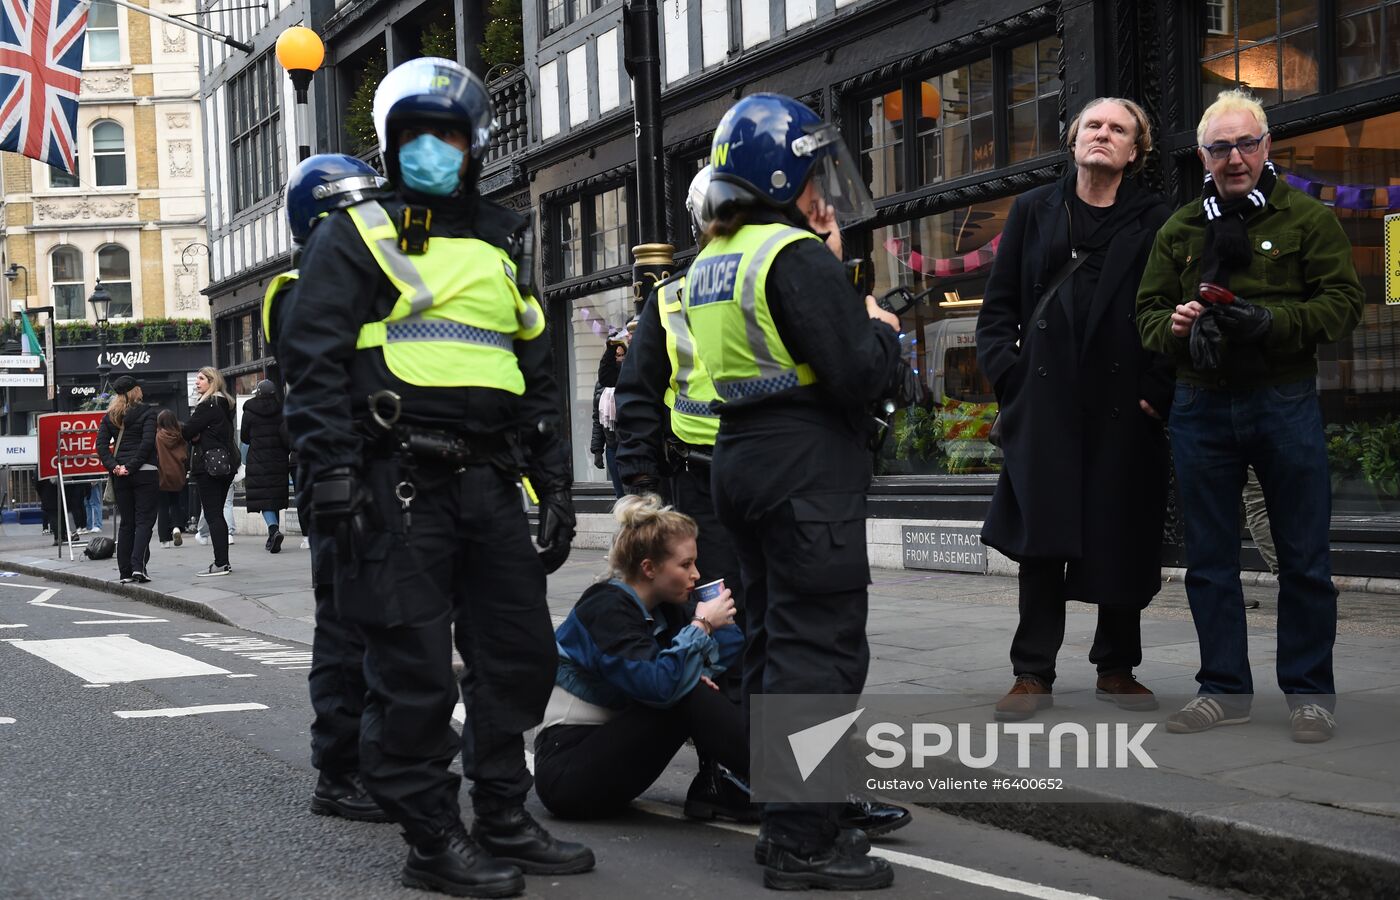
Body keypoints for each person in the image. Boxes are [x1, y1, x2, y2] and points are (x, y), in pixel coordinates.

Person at [278, 57, 593, 897]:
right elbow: (310, 363)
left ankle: (502, 812)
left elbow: (536, 369)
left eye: (447, 134)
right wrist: (332, 476)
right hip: (397, 479)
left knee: (520, 657)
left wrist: (554, 482)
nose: (431, 149)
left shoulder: (499, 238)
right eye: (414, 134)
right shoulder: (358, 233)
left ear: (475, 144)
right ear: (389, 145)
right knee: (412, 674)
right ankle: (430, 838)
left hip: (489, 483)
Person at [684, 93, 904, 891]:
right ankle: (802, 841)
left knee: (776, 646)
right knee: (819, 650)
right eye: (814, 171)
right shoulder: (791, 254)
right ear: (781, 174)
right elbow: (858, 373)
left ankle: (800, 811)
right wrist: (881, 330)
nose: (823, 188)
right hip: (806, 464)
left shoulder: (713, 258)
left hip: (742, 455)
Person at [1137, 89, 1364, 743]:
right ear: (1203, 156)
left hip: (1283, 400)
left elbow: (1344, 304)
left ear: (1266, 148)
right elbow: (1146, 315)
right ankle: (1224, 690)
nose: (1234, 157)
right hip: (1199, 406)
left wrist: (1271, 323)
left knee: (1303, 559)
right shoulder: (1180, 230)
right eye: (1219, 147)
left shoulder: (1307, 219)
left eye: (1245, 144)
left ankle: (1311, 695)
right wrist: (1176, 326)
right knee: (1209, 559)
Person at [975, 97, 1174, 721]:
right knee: (1042, 542)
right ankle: (1031, 673)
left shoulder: (1157, 219)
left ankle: (1117, 668)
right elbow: (997, 312)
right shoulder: (1035, 210)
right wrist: (1013, 383)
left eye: (1119, 129)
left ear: (1135, 151)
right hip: (1046, 403)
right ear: (1073, 139)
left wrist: (1157, 391)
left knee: (1122, 531)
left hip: (1123, 406)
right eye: (1094, 125)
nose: (1103, 134)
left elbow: (1170, 313)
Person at [266, 151, 394, 825]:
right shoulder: (302, 290)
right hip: (338, 476)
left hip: (383, 475)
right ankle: (341, 769)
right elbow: (321, 388)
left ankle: (384, 751)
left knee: (388, 625)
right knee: (347, 628)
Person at [533, 494, 748, 818]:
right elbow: (662, 685)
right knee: (685, 690)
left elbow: (727, 657)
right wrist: (702, 624)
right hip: (568, 771)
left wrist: (715, 621)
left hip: (612, 753)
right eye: (685, 564)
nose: (695, 574)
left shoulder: (666, 608)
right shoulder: (604, 607)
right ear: (649, 568)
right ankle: (795, 784)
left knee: (691, 684)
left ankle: (745, 782)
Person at [95, 375, 159, 583]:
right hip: (145, 472)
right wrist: (131, 467)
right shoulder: (148, 412)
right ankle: (138, 567)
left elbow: (101, 446)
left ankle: (125, 571)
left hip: (121, 476)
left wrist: (116, 468)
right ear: (136, 390)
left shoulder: (111, 415)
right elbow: (147, 443)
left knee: (127, 523)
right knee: (144, 522)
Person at [184, 366, 238, 577]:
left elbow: (187, 430)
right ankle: (223, 561)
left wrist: (194, 434)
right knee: (218, 515)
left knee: (214, 514)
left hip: (208, 467)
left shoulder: (208, 405)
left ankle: (220, 563)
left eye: (201, 379)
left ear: (212, 381)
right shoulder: (226, 405)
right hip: (226, 465)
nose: (197, 382)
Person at [241, 379, 292, 553]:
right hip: (278, 458)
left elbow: (244, 437)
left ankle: (273, 530)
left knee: (264, 497)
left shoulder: (249, 411)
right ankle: (273, 536)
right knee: (274, 496)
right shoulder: (281, 410)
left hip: (258, 459)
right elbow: (286, 436)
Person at [590, 334, 626, 498]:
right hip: (612, 447)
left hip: (628, 443)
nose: (618, 359)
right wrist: (597, 450)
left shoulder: (628, 377)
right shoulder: (601, 385)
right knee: (620, 493)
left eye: (621, 355)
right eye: (615, 356)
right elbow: (597, 420)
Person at [154, 410, 188, 549]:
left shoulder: (157, 436)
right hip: (178, 473)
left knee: (162, 507)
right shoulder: (180, 435)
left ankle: (164, 540)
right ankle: (176, 527)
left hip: (161, 474)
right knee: (175, 502)